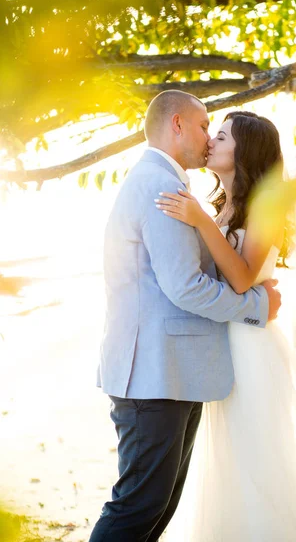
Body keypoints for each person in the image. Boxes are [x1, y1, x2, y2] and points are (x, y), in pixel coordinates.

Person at [158, 111, 296, 541]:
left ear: (244, 150)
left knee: (261, 462)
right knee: (229, 463)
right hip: (228, 344)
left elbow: (241, 278)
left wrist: (200, 220)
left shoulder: (265, 204)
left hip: (254, 350)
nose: (210, 141)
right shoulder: (225, 207)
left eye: (220, 135)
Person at [88, 92, 281, 542]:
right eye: (203, 127)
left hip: (173, 371)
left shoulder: (168, 184)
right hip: (154, 373)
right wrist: (257, 306)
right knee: (138, 506)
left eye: (218, 132)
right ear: (177, 124)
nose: (208, 139)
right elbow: (185, 287)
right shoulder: (162, 186)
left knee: (157, 504)